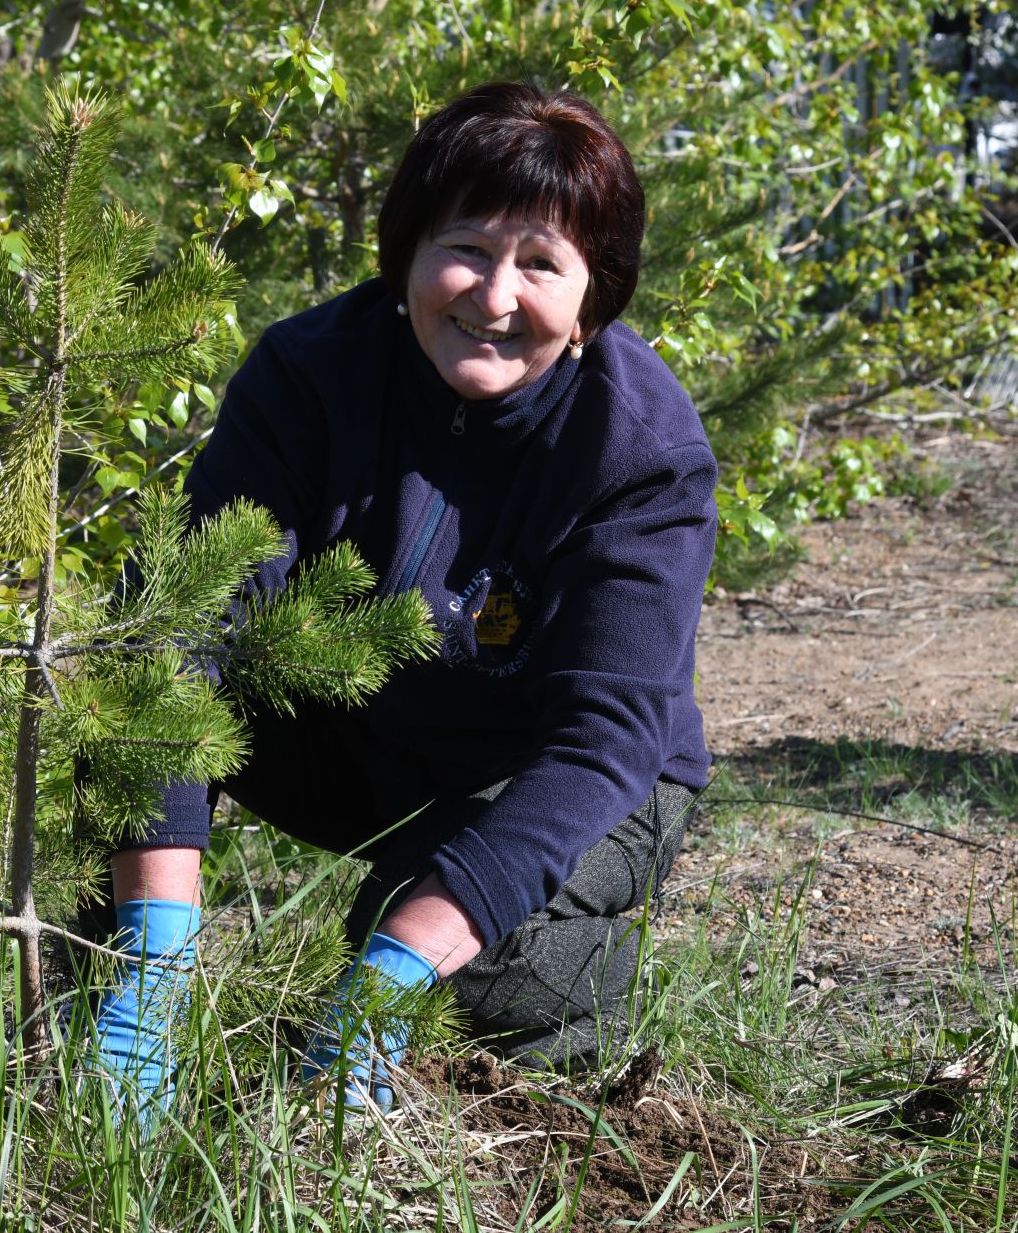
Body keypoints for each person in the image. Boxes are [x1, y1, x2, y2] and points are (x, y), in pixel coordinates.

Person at [87, 81, 717, 1118]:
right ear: (407, 252)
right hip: (345, 731)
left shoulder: (642, 449)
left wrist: (398, 962)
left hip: (558, 771)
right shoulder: (308, 373)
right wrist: (154, 947)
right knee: (103, 729)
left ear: (595, 297)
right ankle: (113, 1016)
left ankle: (555, 995)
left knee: (485, 977)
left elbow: (605, 735)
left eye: (543, 264)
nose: (495, 294)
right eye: (465, 245)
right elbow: (179, 625)